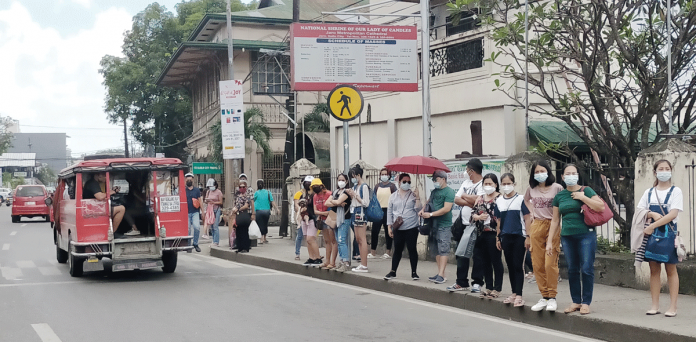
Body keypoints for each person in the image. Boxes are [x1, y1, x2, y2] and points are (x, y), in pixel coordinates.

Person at [547, 164, 604, 315]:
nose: (571, 176)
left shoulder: (586, 190)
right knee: (572, 269)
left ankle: (586, 302)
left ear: (578, 175)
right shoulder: (560, 196)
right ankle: (576, 301)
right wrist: (549, 241)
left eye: (574, 173)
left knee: (586, 268)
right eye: (568, 174)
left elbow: (600, 207)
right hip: (567, 236)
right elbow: (555, 220)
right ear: (563, 177)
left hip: (586, 234)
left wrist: (583, 197)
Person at [636, 159, 682, 317]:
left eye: (667, 168)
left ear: (671, 171)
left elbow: (673, 214)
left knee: (671, 269)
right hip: (652, 236)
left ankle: (673, 307)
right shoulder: (649, 192)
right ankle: (654, 305)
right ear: (655, 172)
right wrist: (652, 214)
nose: (664, 171)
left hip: (667, 235)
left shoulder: (676, 191)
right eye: (660, 169)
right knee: (653, 270)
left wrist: (653, 225)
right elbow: (640, 211)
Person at [524, 160, 564, 312]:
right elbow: (526, 200)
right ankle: (544, 296)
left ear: (548, 172)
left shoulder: (557, 188)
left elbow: (560, 207)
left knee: (550, 263)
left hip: (552, 225)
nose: (540, 174)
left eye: (543, 171)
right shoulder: (531, 188)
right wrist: (532, 211)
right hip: (537, 225)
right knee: (537, 263)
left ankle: (552, 296)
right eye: (537, 172)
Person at [448, 158, 486, 292]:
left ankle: (477, 282)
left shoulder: (483, 184)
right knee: (461, 254)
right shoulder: (466, 182)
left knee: (477, 255)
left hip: (476, 224)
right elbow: (456, 199)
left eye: (467, 170)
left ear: (472, 171)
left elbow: (480, 200)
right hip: (463, 224)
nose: (466, 172)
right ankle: (461, 282)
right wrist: (470, 201)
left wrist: (465, 196)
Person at [495, 173, 532, 307]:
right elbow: (498, 221)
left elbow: (527, 218)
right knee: (510, 266)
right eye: (503, 184)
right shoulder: (499, 201)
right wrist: (498, 237)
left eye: (508, 183)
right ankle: (513, 293)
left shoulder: (521, 199)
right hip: (505, 237)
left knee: (518, 265)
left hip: (519, 236)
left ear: (514, 184)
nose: (506, 186)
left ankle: (519, 294)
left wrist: (528, 237)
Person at [470, 173, 504, 298]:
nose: (488, 186)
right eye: (486, 184)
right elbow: (472, 214)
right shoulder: (480, 198)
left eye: (490, 184)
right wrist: (478, 217)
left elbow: (503, 217)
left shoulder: (500, 198)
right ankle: (489, 287)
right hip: (481, 233)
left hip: (494, 234)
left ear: (496, 184)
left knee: (496, 261)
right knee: (485, 261)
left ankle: (497, 288)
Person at [383, 173, 422, 281]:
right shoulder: (393, 196)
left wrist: (418, 197)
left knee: (412, 249)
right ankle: (393, 271)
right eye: (404, 181)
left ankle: (414, 272)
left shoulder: (413, 195)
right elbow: (389, 212)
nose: (406, 184)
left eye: (409, 182)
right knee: (398, 249)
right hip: (398, 227)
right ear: (399, 182)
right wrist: (389, 227)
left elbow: (419, 210)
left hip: (411, 226)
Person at [421, 170, 455, 284]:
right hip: (433, 225)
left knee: (443, 249)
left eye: (436, 179)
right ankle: (441, 274)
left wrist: (430, 214)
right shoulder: (434, 191)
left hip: (444, 224)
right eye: (433, 179)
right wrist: (423, 210)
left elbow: (446, 209)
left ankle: (441, 274)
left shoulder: (449, 192)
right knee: (435, 249)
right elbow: (428, 202)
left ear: (443, 179)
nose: (434, 181)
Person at [325, 173, 352, 272]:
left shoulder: (347, 192)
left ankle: (346, 262)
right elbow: (326, 202)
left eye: (343, 180)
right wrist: (337, 202)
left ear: (347, 181)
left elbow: (335, 202)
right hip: (335, 218)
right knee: (337, 239)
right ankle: (341, 261)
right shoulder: (336, 191)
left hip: (344, 218)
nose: (341, 182)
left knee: (341, 240)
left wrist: (336, 202)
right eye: (339, 180)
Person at [370, 168, 397, 259]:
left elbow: (395, 198)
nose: (384, 176)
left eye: (386, 174)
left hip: (388, 210)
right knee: (374, 231)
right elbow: (373, 198)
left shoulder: (392, 186)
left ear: (389, 176)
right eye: (382, 174)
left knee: (387, 231)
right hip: (378, 210)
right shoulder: (377, 186)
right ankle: (373, 251)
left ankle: (388, 252)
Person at [348, 166, 371, 273]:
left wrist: (355, 195)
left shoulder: (364, 187)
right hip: (354, 212)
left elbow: (365, 203)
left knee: (362, 239)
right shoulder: (355, 187)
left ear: (358, 175)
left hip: (360, 212)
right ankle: (362, 263)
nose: (352, 179)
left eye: (353, 176)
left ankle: (364, 264)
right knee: (357, 239)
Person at [312, 179, 336, 269]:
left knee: (333, 241)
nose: (315, 188)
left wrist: (321, 213)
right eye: (313, 187)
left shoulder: (329, 194)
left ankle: (332, 262)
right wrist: (323, 213)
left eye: (316, 186)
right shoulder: (315, 196)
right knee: (327, 241)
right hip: (323, 219)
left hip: (330, 220)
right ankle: (327, 261)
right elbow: (315, 211)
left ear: (321, 186)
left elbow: (332, 207)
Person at [293, 176, 313, 260]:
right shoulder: (299, 193)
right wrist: (301, 211)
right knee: (300, 236)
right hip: (301, 217)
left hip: (311, 217)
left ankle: (312, 255)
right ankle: (297, 253)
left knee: (311, 237)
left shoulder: (313, 194)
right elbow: (296, 205)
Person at [232, 180, 255, 253]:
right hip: (238, 216)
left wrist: (238, 209)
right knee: (238, 231)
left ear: (246, 187)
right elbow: (235, 204)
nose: (242, 188)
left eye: (243, 187)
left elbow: (246, 206)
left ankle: (246, 247)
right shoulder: (237, 196)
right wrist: (234, 211)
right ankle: (240, 247)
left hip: (245, 215)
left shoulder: (247, 196)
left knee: (245, 231)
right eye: (240, 187)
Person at [253, 179, 276, 244]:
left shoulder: (256, 193)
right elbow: (272, 201)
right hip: (266, 211)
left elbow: (252, 201)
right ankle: (265, 238)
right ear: (264, 185)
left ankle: (261, 239)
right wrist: (277, 208)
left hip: (258, 211)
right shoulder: (268, 192)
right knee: (265, 224)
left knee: (260, 225)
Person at [185, 173, 202, 252]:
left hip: (195, 212)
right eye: (187, 180)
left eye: (190, 180)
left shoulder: (197, 190)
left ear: (193, 180)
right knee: (188, 229)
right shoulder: (183, 190)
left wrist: (203, 212)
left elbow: (200, 200)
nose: (189, 181)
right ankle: (188, 246)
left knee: (197, 227)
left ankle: (195, 243)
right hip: (186, 213)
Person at [204, 178, 223, 247]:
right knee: (211, 225)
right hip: (210, 210)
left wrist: (214, 202)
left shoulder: (219, 192)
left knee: (215, 226)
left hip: (216, 209)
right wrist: (207, 201)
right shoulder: (208, 192)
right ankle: (213, 240)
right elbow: (205, 200)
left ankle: (216, 241)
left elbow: (221, 202)